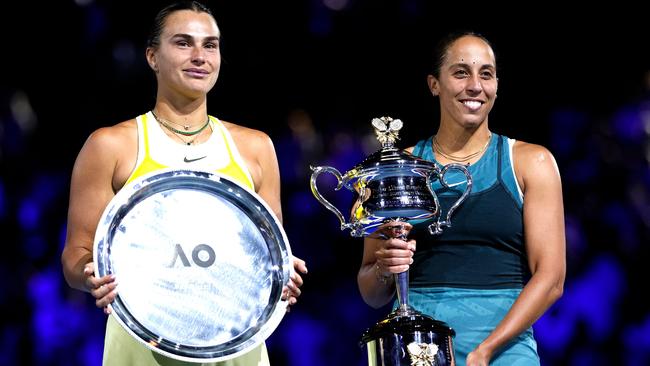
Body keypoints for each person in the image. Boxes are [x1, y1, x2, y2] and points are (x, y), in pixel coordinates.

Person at [60, 1, 308, 365]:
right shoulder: (110, 145)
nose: (200, 56)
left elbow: (264, 254)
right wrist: (91, 274)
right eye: (182, 43)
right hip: (142, 343)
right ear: (152, 57)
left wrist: (281, 277)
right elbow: (75, 256)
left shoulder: (256, 148)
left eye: (210, 44)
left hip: (235, 346)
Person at [357, 31, 566, 366]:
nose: (475, 86)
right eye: (460, 73)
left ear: (497, 85)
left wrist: (486, 350)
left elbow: (551, 279)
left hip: (505, 351)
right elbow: (371, 292)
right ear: (434, 84)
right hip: (417, 349)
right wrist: (385, 266)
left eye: (486, 74)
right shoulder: (398, 168)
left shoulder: (531, 162)